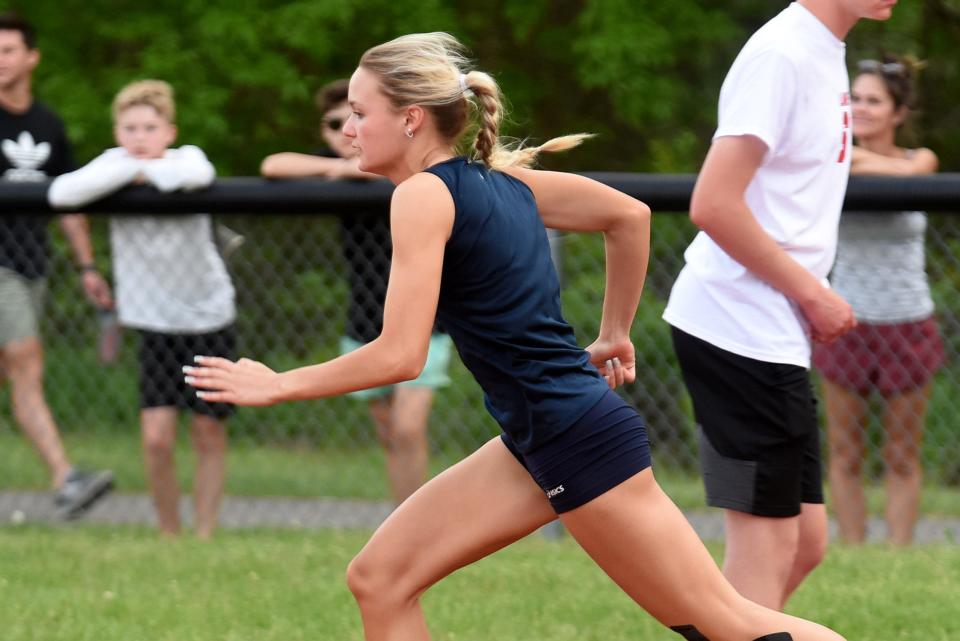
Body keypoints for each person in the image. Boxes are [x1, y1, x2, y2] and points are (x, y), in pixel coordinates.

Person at [187, 32, 847, 641]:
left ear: (410, 118)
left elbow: (400, 354)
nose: (349, 129)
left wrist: (279, 383)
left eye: (360, 113)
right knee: (380, 578)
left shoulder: (420, 196)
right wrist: (612, 332)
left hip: (575, 439)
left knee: (725, 623)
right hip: (542, 435)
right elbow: (628, 216)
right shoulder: (503, 184)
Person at [663, 0, 896, 610]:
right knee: (765, 554)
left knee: (804, 545)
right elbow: (713, 203)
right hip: (735, 327)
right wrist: (812, 292)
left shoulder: (823, 49)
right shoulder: (781, 54)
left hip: (771, 332)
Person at [49, 80, 236, 539]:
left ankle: (205, 534)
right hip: (154, 323)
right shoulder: (113, 165)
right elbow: (62, 194)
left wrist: (142, 174)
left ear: (169, 131)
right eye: (129, 127)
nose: (139, 136)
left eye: (150, 127)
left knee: (207, 432)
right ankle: (169, 534)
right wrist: (128, 170)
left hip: (208, 316)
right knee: (156, 438)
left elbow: (195, 178)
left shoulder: (185, 156)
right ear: (117, 131)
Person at [261, 79, 453, 505]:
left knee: (408, 427)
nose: (344, 130)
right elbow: (273, 165)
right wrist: (341, 168)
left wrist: (355, 170)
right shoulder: (337, 165)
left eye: (355, 117)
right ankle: (402, 512)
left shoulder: (406, 166)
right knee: (389, 433)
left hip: (428, 321)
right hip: (365, 320)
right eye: (333, 123)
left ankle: (420, 519)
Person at [812, 55, 941, 546]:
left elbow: (913, 175)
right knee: (845, 453)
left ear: (898, 112)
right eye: (855, 100)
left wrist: (856, 159)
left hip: (909, 322)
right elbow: (831, 159)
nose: (861, 108)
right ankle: (852, 549)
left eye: (873, 100)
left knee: (902, 454)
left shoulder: (920, 158)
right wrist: (850, 157)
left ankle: (899, 553)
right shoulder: (830, 154)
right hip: (844, 320)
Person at [0, 12, 114, 519]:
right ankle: (66, 477)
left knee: (16, 371)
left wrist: (87, 267)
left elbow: (70, 202)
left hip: (32, 264)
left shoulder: (48, 124)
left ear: (31, 57)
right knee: (27, 360)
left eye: (7, 50)